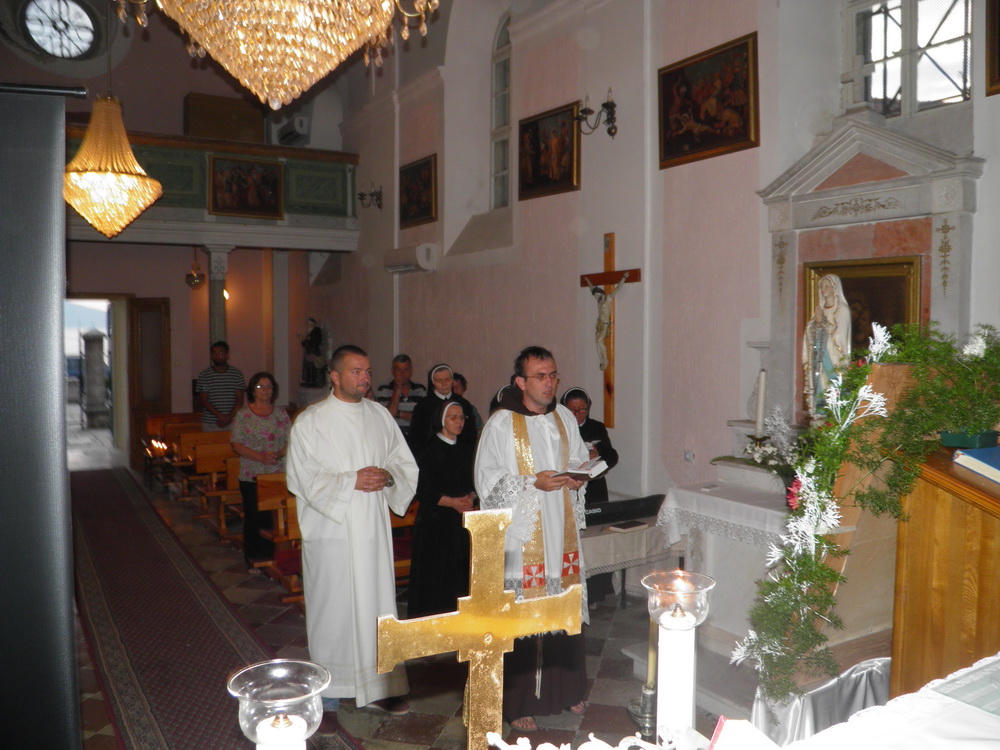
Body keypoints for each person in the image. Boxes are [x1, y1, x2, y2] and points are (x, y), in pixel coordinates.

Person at [286, 344, 419, 731]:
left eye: (367, 371)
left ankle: (379, 687)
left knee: (377, 606)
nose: (365, 378)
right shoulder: (312, 422)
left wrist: (389, 476)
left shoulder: (379, 415)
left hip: (372, 532)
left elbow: (402, 462)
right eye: (356, 371)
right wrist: (352, 480)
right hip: (333, 533)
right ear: (335, 376)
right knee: (334, 610)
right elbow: (303, 477)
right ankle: (329, 688)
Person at [474, 346, 589, 733]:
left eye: (553, 375)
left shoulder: (564, 417)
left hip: (561, 529)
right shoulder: (501, 424)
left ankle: (566, 690)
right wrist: (530, 483)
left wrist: (579, 476)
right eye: (540, 376)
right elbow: (487, 482)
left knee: (563, 604)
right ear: (520, 382)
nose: (549, 383)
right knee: (523, 612)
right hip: (523, 534)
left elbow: (579, 458)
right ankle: (518, 702)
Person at [407, 399, 475, 618]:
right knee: (435, 579)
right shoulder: (428, 451)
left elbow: (474, 483)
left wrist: (470, 497)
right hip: (435, 525)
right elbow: (423, 490)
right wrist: (453, 502)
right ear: (441, 420)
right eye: (453, 417)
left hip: (460, 523)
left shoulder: (466, 450)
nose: (459, 422)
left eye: (462, 417)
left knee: (459, 577)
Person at [230, 372, 291, 570]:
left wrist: (279, 453)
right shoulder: (244, 415)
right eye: (260, 387)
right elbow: (236, 444)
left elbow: (292, 440)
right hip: (252, 473)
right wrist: (259, 457)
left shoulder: (280, 414)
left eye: (268, 386)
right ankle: (254, 556)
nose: (265, 390)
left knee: (274, 516)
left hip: (277, 472)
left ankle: (274, 555)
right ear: (252, 390)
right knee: (254, 516)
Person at [803, 274, 851, 422]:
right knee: (819, 384)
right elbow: (809, 332)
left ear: (835, 288)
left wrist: (822, 322)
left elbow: (839, 335)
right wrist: (817, 323)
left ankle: (834, 413)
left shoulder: (842, 310)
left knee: (833, 383)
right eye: (821, 286)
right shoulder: (820, 310)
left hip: (833, 355)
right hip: (818, 355)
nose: (823, 289)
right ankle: (820, 413)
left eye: (826, 285)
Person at [559, 387, 619, 504]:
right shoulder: (556, 429)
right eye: (572, 410)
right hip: (567, 484)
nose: (577, 414)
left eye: (582, 409)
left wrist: (597, 457)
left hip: (593, 485)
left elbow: (611, 455)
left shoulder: (596, 427)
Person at [407, 363, 477, 457]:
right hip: (430, 457)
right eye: (439, 380)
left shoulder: (464, 404)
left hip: (459, 456)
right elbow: (415, 437)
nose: (444, 384)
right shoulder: (423, 406)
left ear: (452, 380)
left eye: (447, 379)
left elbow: (471, 435)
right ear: (433, 382)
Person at [196, 341, 246, 431]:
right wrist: (220, 416)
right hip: (210, 422)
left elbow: (240, 400)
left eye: (221, 353)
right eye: (214, 353)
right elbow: (203, 400)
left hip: (232, 421)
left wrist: (228, 417)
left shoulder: (237, 375)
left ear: (227, 355)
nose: (217, 356)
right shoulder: (204, 375)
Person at [583, 272, 629, 371]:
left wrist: (624, 277)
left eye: (597, 293)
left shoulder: (608, 299)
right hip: (599, 323)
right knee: (597, 342)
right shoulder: (598, 300)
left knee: (599, 341)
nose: (596, 295)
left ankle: (605, 360)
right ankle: (601, 360)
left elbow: (618, 288)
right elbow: (591, 289)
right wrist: (587, 281)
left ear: (601, 293)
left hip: (605, 324)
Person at [375, 354, 426, 438]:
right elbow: (389, 415)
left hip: (416, 439)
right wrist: (397, 389)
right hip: (393, 438)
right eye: (399, 370)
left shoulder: (420, 390)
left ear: (411, 371)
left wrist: (398, 413)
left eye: (406, 370)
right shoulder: (383, 390)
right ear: (392, 371)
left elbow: (421, 418)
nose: (402, 374)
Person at [300, 318, 324, 388]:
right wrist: (303, 340)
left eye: (310, 323)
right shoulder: (310, 333)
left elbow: (314, 342)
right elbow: (306, 344)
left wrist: (307, 341)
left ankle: (313, 381)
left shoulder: (316, 331)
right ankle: (308, 380)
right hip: (309, 351)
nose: (309, 325)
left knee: (312, 366)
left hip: (313, 351)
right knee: (308, 367)